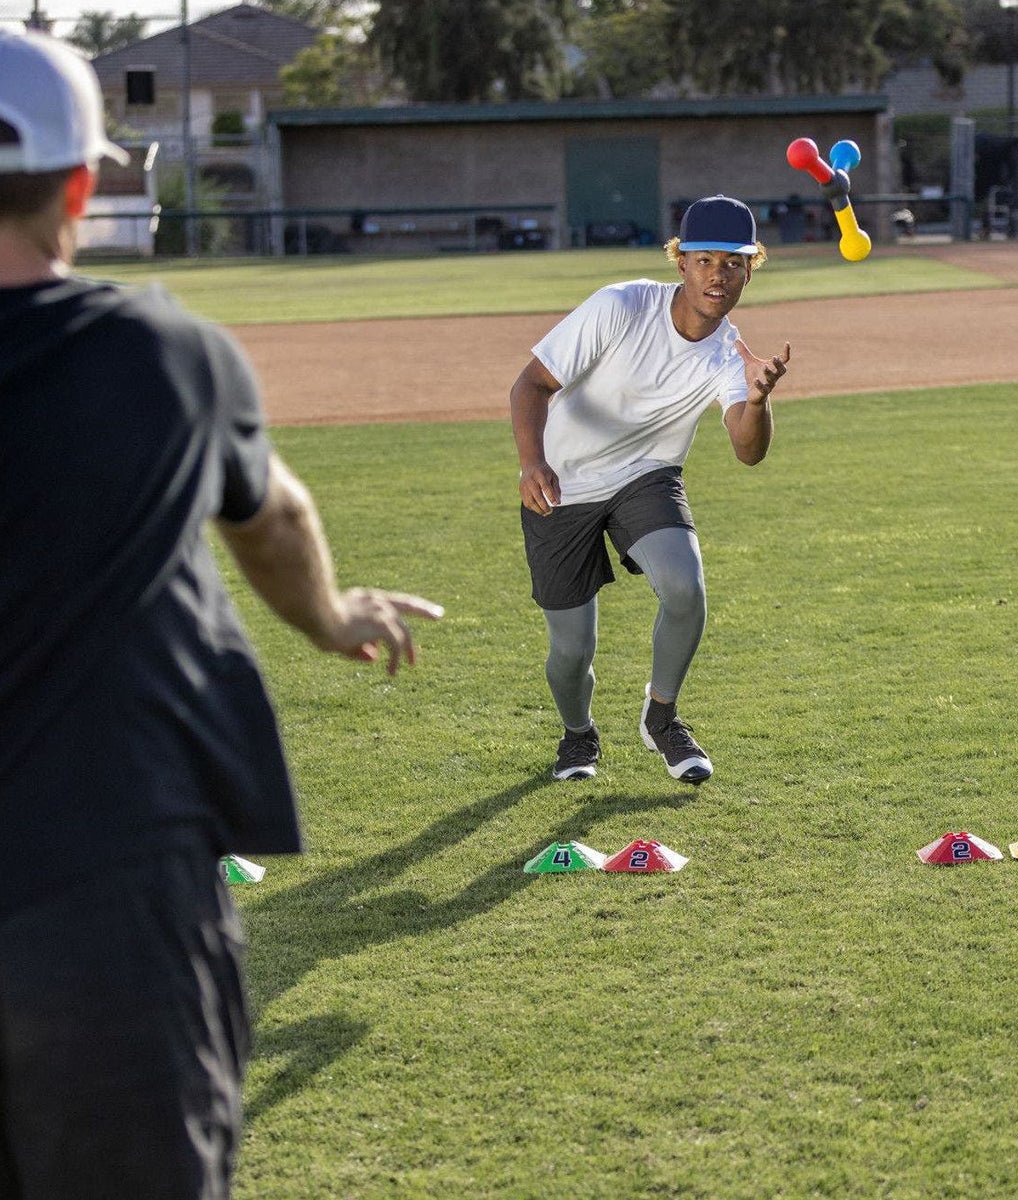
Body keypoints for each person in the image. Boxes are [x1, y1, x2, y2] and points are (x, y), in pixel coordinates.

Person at [0, 32, 442, 1200]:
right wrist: (331, 615)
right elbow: (275, 516)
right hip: (107, 902)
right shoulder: (163, 358)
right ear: (80, 189)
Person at [510, 194, 789, 785]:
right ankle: (578, 734)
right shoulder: (621, 306)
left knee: (685, 586)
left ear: (750, 270)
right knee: (570, 651)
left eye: (733, 263)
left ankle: (661, 717)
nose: (718, 275)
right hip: (562, 484)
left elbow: (748, 450)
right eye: (705, 260)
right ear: (681, 261)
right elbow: (530, 385)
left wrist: (758, 399)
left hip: (646, 476)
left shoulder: (730, 354)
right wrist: (532, 463)